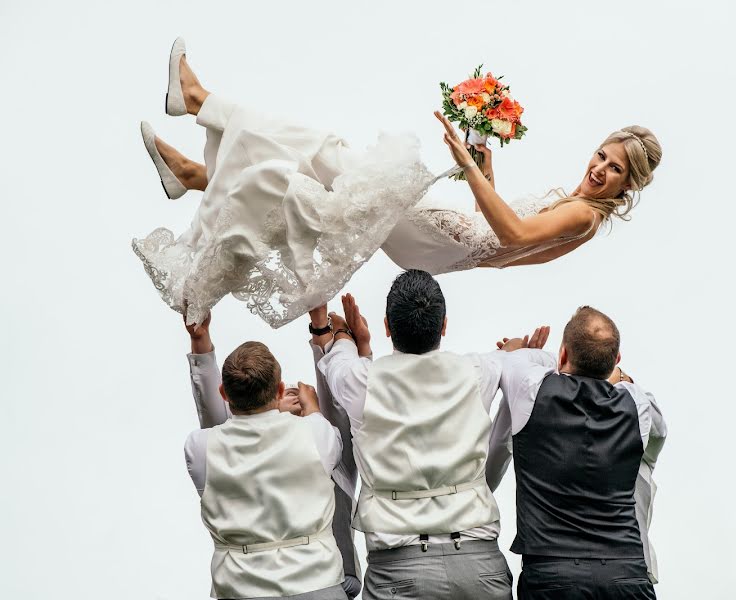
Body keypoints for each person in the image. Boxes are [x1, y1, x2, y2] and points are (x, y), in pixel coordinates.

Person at [133, 37, 663, 328]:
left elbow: (514, 239)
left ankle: (203, 107)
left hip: (440, 242)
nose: (600, 168)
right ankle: (199, 174)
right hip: (442, 239)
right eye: (602, 155)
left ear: (627, 184)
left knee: (333, 161)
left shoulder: (587, 216)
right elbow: (505, 230)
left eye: (615, 169)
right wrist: (484, 164)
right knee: (324, 169)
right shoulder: (574, 203)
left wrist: (471, 170)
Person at [315, 271, 547, 599]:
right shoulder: (478, 371)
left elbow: (338, 359)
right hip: (479, 568)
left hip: (399, 574)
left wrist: (338, 331)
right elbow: (517, 360)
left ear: (387, 327)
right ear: (444, 326)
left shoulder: (363, 381)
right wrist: (517, 355)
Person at [485, 306, 665, 599]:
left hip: (552, 577)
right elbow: (660, 428)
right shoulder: (637, 405)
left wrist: (516, 348)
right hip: (625, 575)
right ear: (616, 361)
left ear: (563, 355)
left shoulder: (530, 389)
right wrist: (617, 376)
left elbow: (512, 360)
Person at [182, 310, 363, 598]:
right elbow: (334, 416)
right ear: (279, 389)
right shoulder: (316, 435)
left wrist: (199, 339)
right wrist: (311, 405)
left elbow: (215, 422)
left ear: (224, 393)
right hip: (319, 586)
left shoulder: (200, 448)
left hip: (241, 590)